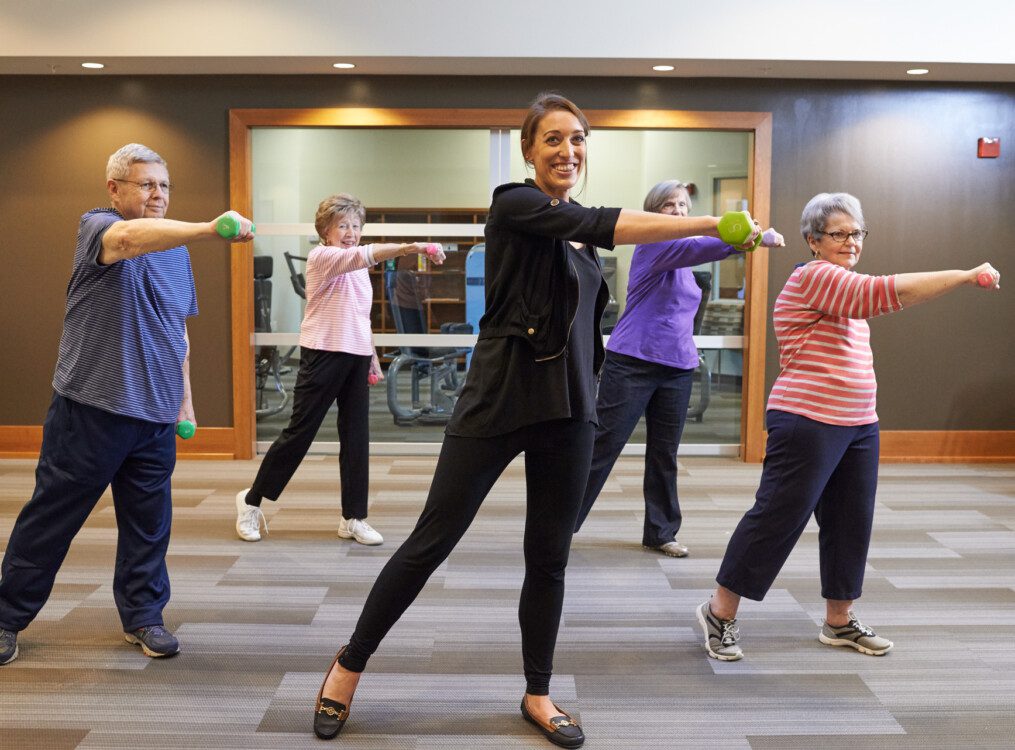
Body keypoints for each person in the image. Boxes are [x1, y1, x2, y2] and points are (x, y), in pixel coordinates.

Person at [310, 93, 764, 747]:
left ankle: (537, 691)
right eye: (552, 139)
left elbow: (592, 263)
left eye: (577, 140)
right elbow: (609, 223)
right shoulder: (514, 205)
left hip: (569, 409)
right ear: (529, 150)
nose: (567, 150)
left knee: (548, 558)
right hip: (497, 401)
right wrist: (708, 222)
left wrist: (717, 240)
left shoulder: (578, 237)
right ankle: (347, 667)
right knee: (428, 545)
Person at [696, 192, 1001, 662]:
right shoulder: (816, 277)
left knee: (850, 521)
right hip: (806, 420)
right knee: (778, 517)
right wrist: (962, 275)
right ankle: (719, 611)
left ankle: (839, 620)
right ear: (813, 241)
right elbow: (883, 295)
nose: (850, 241)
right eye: (838, 233)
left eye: (857, 232)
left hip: (858, 423)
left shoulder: (840, 281)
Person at [0, 143, 254, 665]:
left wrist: (185, 404)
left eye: (164, 185)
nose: (157, 194)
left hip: (156, 415)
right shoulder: (97, 226)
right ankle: (5, 618)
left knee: (148, 524)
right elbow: (130, 238)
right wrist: (212, 227)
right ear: (115, 189)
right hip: (91, 408)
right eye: (146, 184)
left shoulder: (177, 254)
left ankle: (143, 616)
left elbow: (176, 332)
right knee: (51, 520)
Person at [574, 180, 783, 557]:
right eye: (669, 205)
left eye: (684, 205)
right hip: (632, 361)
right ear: (653, 211)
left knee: (664, 454)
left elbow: (699, 250)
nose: (679, 211)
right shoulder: (654, 246)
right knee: (603, 446)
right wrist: (751, 237)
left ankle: (661, 532)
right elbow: (700, 245)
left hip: (677, 368)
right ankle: (559, 524)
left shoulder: (685, 264)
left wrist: (748, 238)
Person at [234, 194, 446, 544]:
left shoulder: (358, 269)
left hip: (355, 357)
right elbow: (366, 254)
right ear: (326, 231)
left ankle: (353, 518)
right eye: (342, 226)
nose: (350, 232)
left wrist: (372, 358)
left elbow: (359, 317)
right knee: (299, 435)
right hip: (323, 354)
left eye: (355, 225)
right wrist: (415, 246)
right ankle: (251, 501)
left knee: (356, 439)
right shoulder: (323, 257)